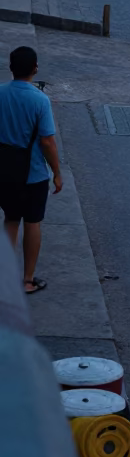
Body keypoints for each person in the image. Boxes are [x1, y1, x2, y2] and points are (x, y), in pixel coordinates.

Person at [0, 47, 62, 295]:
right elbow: (47, 142)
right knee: (33, 222)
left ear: (10, 67)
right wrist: (57, 172)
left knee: (11, 219)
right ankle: (27, 280)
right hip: (33, 173)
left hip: (5, 170)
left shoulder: (1, 93)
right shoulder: (39, 100)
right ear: (35, 68)